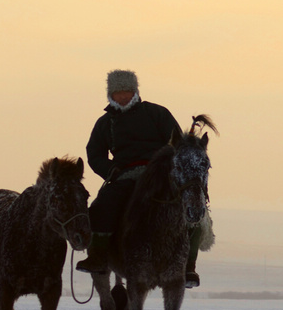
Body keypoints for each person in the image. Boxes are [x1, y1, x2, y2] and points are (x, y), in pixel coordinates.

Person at [76, 69, 203, 288]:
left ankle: (188, 267)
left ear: (135, 91)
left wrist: (169, 168)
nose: (123, 97)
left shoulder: (157, 113)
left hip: (162, 174)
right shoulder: (105, 123)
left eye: (127, 92)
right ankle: (98, 256)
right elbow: (94, 154)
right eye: (118, 93)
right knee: (101, 205)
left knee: (193, 208)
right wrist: (110, 170)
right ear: (111, 95)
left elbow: (176, 143)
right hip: (125, 175)